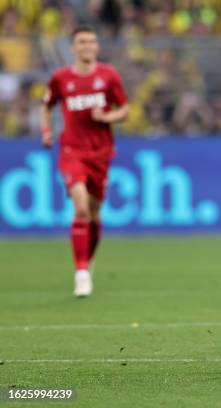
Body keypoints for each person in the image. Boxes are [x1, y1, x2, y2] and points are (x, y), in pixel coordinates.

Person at [40, 25, 129, 297]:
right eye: (82, 42)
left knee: (94, 213)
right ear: (73, 47)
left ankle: (86, 263)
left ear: (97, 46)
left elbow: (124, 109)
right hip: (71, 151)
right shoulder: (60, 78)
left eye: (92, 41)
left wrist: (107, 118)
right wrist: (46, 131)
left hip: (100, 153)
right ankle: (80, 272)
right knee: (80, 208)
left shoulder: (108, 75)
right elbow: (46, 105)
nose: (88, 45)